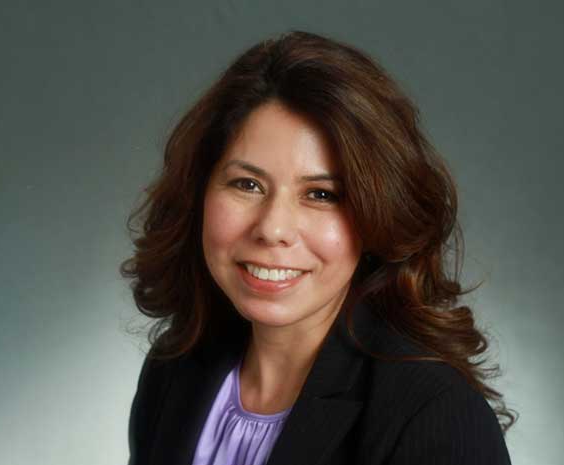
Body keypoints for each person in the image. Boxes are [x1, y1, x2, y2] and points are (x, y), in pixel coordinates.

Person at [121, 30, 517, 465]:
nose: (273, 228)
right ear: (199, 192)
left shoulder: (434, 413)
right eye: (247, 184)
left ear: (377, 217)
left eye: (321, 194)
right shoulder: (174, 370)